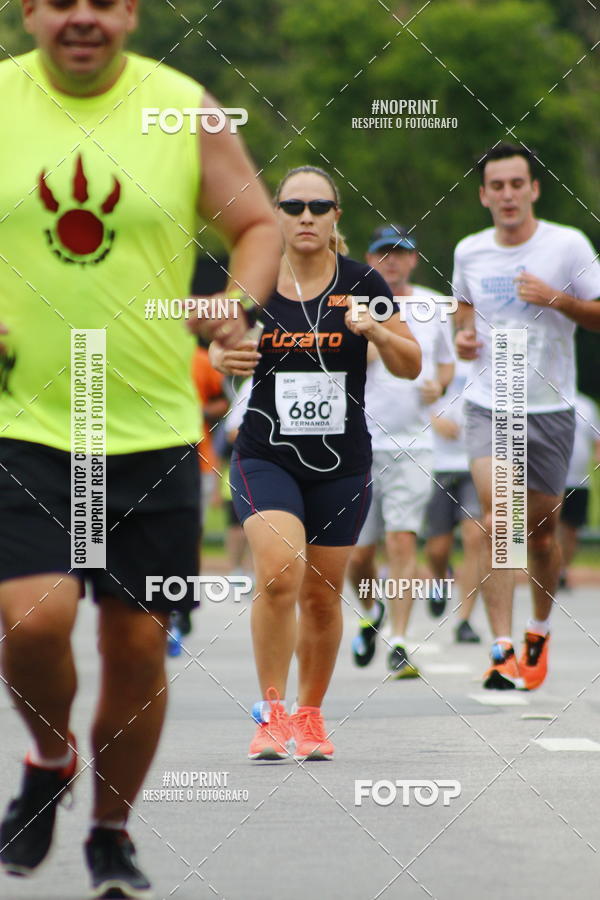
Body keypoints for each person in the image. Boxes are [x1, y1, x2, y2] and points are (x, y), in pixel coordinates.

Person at [0, 1, 279, 896]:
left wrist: (235, 303)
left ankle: (110, 833)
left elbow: (260, 225)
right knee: (31, 619)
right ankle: (50, 759)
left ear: (127, 13)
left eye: (103, 0)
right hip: (29, 422)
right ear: (30, 11)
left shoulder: (182, 106)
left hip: (152, 429)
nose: (81, 15)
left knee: (137, 647)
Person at [210, 169, 421, 760]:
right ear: (277, 214)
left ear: (335, 218)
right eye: (294, 205)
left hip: (342, 463)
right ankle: (272, 713)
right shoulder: (253, 282)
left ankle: (310, 715)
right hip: (265, 454)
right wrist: (223, 351)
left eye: (318, 206)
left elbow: (411, 364)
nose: (306, 216)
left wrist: (376, 328)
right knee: (279, 572)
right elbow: (216, 343)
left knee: (324, 595)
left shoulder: (362, 282)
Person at [453, 142, 600, 690]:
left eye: (518, 184)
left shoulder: (567, 245)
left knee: (540, 534)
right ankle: (501, 648)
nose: (508, 195)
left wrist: (557, 299)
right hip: (490, 403)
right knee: (500, 519)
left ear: (533, 190)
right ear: (484, 195)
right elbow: (462, 313)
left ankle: (537, 629)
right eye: (498, 186)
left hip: (550, 408)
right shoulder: (470, 251)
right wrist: (463, 339)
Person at [347, 225, 454, 677]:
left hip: (413, 443)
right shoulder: (351, 302)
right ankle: (374, 612)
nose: (391, 261)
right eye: (382, 253)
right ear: (369, 259)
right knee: (358, 555)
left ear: (414, 258)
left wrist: (440, 385)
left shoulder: (432, 306)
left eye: (400, 253)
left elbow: (446, 361)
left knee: (402, 538)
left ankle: (402, 642)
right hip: (358, 443)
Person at [424, 358, 484, 643]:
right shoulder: (434, 351)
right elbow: (410, 400)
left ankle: (464, 619)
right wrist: (434, 421)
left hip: (476, 462)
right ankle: (439, 578)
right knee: (437, 548)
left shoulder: (490, 352)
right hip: (438, 463)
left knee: (476, 539)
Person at [558, 391, 600, 589]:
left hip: (578, 480)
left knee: (571, 529)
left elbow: (596, 439)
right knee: (547, 526)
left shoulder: (587, 406)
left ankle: (562, 569)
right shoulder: (547, 400)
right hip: (550, 479)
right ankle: (548, 568)